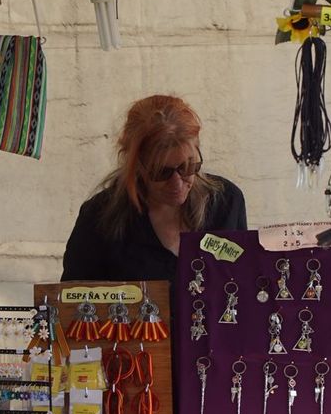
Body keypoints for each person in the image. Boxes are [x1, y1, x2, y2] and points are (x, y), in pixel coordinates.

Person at [61, 95, 247, 282]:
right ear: (136, 166)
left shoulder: (226, 202)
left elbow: (243, 281)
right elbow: (72, 298)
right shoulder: (100, 216)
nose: (177, 183)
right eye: (161, 172)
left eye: (188, 167)